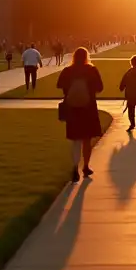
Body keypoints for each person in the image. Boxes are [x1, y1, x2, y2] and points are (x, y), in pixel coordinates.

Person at [57, 47, 104, 182]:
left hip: (72, 108)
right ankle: (86, 166)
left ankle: (74, 166)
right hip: (88, 108)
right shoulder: (91, 70)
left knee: (76, 140)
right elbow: (100, 87)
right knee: (87, 139)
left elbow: (59, 84)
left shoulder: (68, 71)